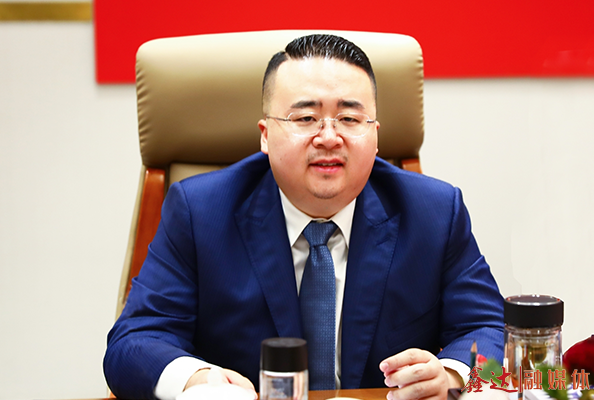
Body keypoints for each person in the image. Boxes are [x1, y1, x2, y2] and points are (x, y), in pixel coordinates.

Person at [104, 34, 504, 400]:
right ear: (265, 134)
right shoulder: (200, 212)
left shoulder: (434, 212)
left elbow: (492, 329)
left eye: (349, 119)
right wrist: (198, 381)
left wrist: (453, 375)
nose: (328, 137)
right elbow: (133, 343)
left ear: (376, 135)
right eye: (305, 118)